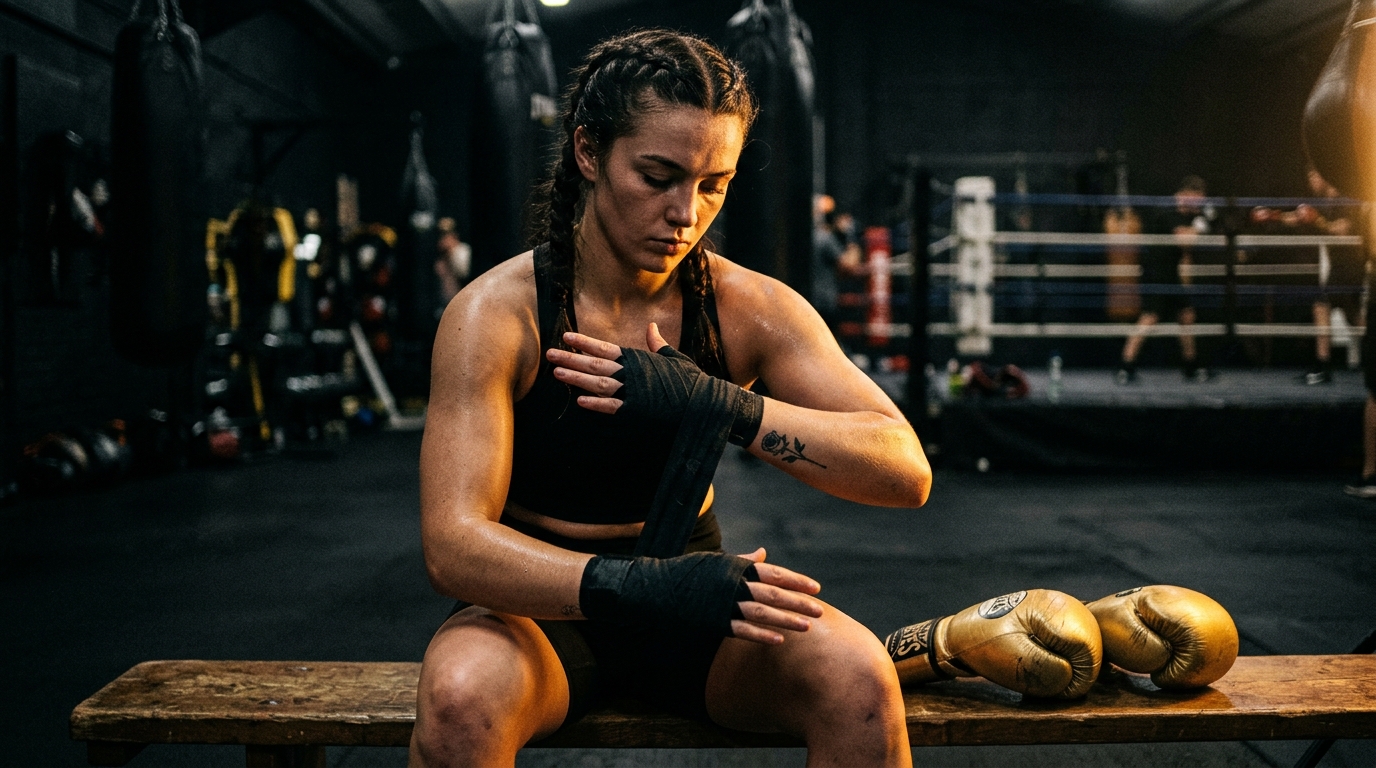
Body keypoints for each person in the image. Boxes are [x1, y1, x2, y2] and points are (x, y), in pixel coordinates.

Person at [411, 29, 931, 767]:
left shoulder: (750, 309)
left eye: (713, 184)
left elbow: (905, 471)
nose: (686, 213)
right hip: (537, 611)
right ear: (589, 152)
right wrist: (638, 588)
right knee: (461, 698)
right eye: (658, 176)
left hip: (698, 604)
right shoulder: (499, 315)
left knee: (860, 683)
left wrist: (722, 406)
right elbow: (453, 547)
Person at [1117, 175, 1213, 384]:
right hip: (1157, 274)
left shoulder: (1182, 214)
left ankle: (1191, 367)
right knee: (1149, 318)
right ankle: (1126, 367)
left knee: (1186, 316)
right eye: (1197, 199)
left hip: (1170, 273)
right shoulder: (1168, 211)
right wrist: (1200, 226)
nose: (1199, 204)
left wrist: (1197, 224)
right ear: (1186, 195)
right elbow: (1184, 240)